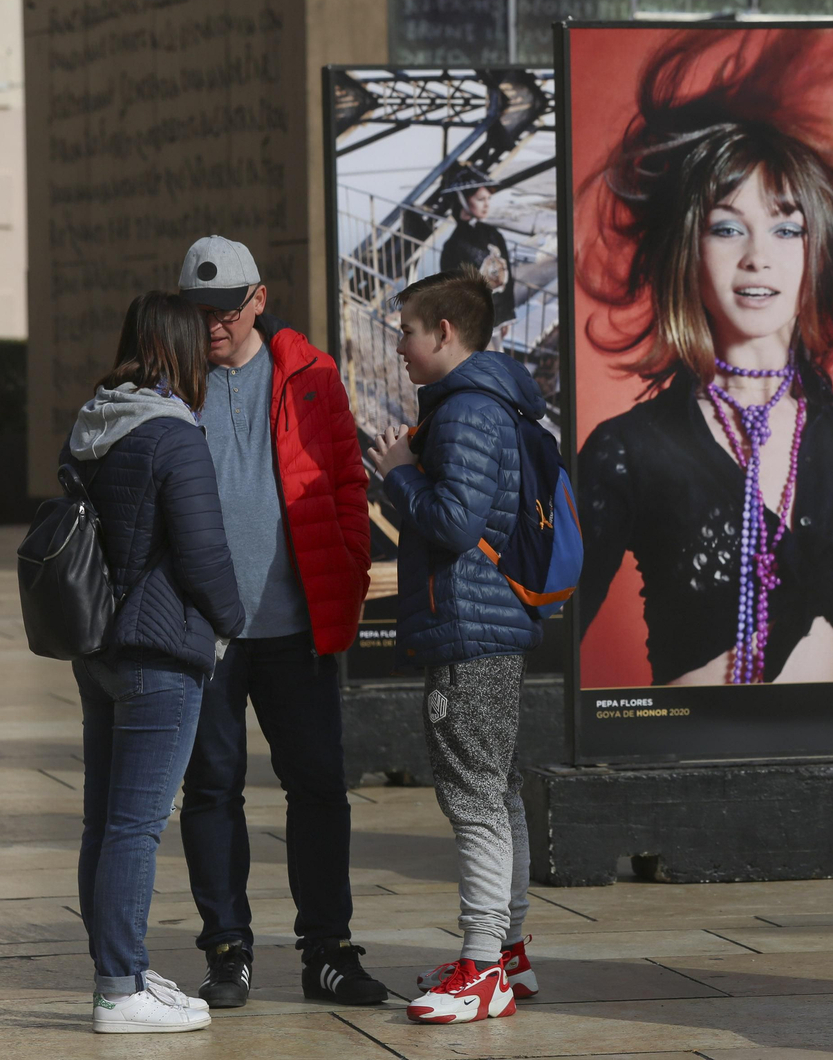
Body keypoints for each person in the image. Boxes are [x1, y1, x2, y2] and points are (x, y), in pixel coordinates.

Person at [574, 29, 833, 687]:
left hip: (831, 771)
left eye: (786, 228)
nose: (758, 255)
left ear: (814, 252)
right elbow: (549, 641)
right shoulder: (627, 451)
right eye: (728, 227)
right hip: (681, 775)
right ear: (690, 252)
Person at [172, 236, 387, 1007]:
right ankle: (226, 949)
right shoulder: (170, 382)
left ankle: (327, 949)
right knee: (212, 789)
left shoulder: (310, 374)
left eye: (226, 309)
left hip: (296, 627)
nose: (214, 326)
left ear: (258, 298)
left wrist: (348, 584)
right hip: (206, 634)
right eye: (199, 313)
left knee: (319, 787)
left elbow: (346, 488)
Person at [64, 291, 245, 1033]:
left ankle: (123, 970)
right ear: (178, 348)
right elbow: (204, 554)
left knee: (104, 822)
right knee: (137, 827)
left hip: (98, 646)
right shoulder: (174, 435)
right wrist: (232, 625)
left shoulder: (91, 425)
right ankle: (118, 991)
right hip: (161, 655)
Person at [368, 266, 544, 1025]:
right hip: (486, 624)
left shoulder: (468, 411)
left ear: (444, 333)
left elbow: (450, 523)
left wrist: (398, 476)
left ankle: (481, 969)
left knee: (474, 798)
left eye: (406, 330)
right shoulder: (487, 402)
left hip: (469, 629)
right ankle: (504, 956)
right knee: (496, 792)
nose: (399, 345)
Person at [438, 167, 517, 332]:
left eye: (489, 198)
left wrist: (507, 316)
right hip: (473, 327)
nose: (487, 204)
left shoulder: (494, 235)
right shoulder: (453, 246)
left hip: (497, 319)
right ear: (463, 201)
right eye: (481, 199)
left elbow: (508, 277)